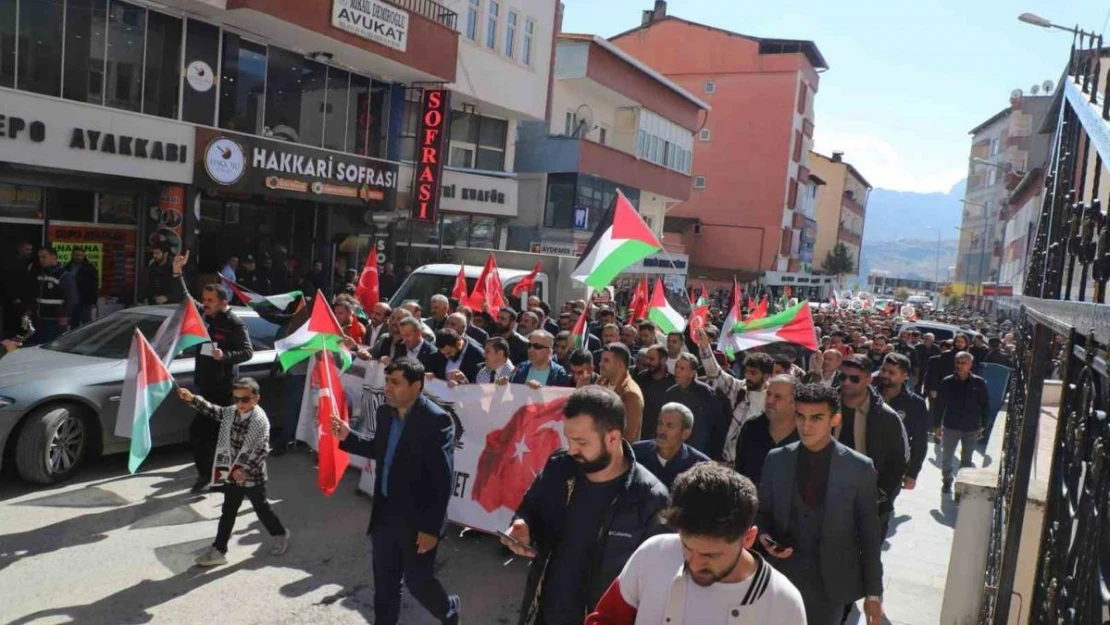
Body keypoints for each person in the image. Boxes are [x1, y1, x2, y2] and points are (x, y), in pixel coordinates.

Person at [501, 385, 669, 625]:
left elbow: (657, 585)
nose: (571, 449)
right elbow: (530, 507)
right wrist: (521, 525)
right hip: (541, 614)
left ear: (612, 437)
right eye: (568, 439)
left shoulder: (651, 499)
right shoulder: (559, 466)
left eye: (581, 441)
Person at [587, 464, 806, 624]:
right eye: (687, 548)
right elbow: (606, 620)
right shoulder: (653, 553)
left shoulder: (783, 603)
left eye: (711, 555)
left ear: (748, 538)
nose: (695, 563)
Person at [332, 359, 460, 625]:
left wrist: (431, 529)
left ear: (416, 386)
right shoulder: (384, 413)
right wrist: (348, 436)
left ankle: (448, 609)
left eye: (395, 383)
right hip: (384, 515)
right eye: (387, 381)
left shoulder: (436, 421)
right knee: (386, 583)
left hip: (418, 521)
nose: (387, 388)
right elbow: (379, 449)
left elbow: (442, 480)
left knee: (418, 582)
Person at [758, 383, 884, 625]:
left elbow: (869, 535)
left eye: (816, 418)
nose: (806, 426)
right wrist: (764, 536)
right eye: (800, 416)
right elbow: (761, 513)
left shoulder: (859, 468)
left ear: (834, 419)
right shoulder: (777, 459)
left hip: (831, 587)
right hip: (781, 577)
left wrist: (874, 593)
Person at [177, 379, 289, 566]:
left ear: (256, 398)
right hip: (231, 473)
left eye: (245, 399)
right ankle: (219, 550)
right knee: (228, 511)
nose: (240, 404)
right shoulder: (232, 412)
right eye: (236, 399)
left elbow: (261, 450)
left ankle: (280, 534)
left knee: (262, 509)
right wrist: (193, 399)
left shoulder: (260, 421)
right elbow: (215, 411)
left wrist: (244, 470)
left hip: (252, 476)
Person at [172, 252, 255, 492]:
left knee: (213, 436)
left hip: (223, 390)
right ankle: (208, 475)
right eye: (204, 299)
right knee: (201, 435)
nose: (205, 303)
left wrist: (225, 356)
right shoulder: (204, 316)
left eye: (210, 299)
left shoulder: (234, 323)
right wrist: (177, 273)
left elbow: (247, 352)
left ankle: (220, 476)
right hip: (204, 386)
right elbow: (185, 299)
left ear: (223, 302)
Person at [838, 354, 909, 537]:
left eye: (854, 378)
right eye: (842, 376)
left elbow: (898, 460)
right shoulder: (826, 405)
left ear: (869, 379)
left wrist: (880, 494)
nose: (846, 382)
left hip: (867, 498)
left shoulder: (885, 416)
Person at [697, 330, 772, 464]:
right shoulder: (739, 389)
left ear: (766, 376)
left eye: (753, 373)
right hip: (730, 461)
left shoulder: (772, 400)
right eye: (747, 372)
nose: (748, 376)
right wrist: (705, 347)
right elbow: (715, 374)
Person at [933, 351, 990, 494]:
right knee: (947, 457)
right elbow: (939, 405)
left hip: (971, 427)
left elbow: (985, 404)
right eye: (957, 362)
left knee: (967, 460)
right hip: (951, 426)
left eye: (963, 363)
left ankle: (962, 486)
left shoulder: (978, 382)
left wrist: (984, 425)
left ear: (970, 365)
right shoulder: (947, 382)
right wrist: (936, 425)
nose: (959, 365)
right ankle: (946, 481)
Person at [734, 374, 800, 487]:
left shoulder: (805, 433)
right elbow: (740, 473)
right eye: (768, 394)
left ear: (794, 402)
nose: (769, 400)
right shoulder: (751, 428)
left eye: (777, 397)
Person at [631, 402, 710, 489]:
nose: (662, 430)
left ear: (685, 433)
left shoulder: (699, 465)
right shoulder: (637, 452)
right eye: (660, 423)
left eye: (669, 426)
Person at [663, 352, 724, 457]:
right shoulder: (670, 394)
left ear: (692, 373)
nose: (677, 370)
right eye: (677, 366)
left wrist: (717, 455)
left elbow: (719, 426)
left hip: (701, 452)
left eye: (682, 368)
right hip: (675, 451)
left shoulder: (706, 393)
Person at [27, 246, 78, 345]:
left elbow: (72, 298)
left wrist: (64, 315)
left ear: (53, 257)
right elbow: (36, 295)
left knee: (52, 347)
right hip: (39, 319)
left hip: (55, 321)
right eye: (39, 257)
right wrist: (30, 310)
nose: (41, 260)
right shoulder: (40, 274)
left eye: (44, 257)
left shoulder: (65, 275)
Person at [598, 343, 644, 441]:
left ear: (619, 365)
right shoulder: (600, 382)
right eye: (601, 360)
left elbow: (629, 436)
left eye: (606, 360)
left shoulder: (631, 394)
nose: (600, 364)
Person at [633, 344, 675, 441]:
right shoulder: (642, 377)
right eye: (647, 358)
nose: (647, 362)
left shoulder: (672, 383)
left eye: (652, 359)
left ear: (663, 360)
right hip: (639, 434)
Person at [65, 248, 98, 328]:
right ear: (72, 255)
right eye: (76, 255)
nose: (79, 257)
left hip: (84, 301)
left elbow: (94, 285)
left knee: (86, 325)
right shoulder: (67, 267)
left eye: (81, 255)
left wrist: (93, 301)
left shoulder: (90, 269)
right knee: (73, 325)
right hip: (71, 301)